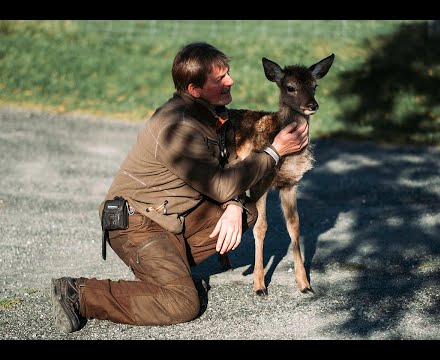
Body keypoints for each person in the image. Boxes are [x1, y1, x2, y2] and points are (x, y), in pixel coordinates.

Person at [50, 41, 309, 333]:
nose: (231, 81)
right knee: (183, 303)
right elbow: (220, 184)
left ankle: (168, 272)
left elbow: (226, 172)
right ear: (194, 89)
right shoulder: (179, 127)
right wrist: (274, 151)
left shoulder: (213, 115)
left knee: (247, 211)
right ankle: (78, 292)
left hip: (170, 217)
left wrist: (234, 203)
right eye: (220, 78)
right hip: (135, 223)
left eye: (228, 74)